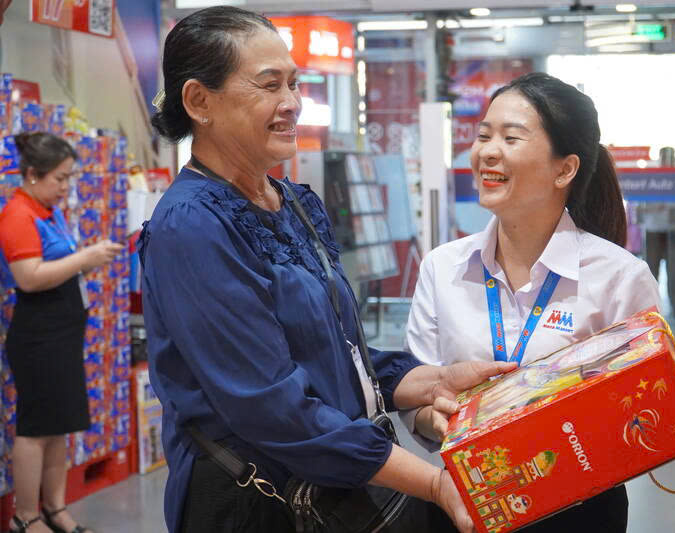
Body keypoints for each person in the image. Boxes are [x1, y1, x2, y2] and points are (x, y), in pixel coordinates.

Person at [140, 7, 512, 533]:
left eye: (294, 83)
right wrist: (432, 482)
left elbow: (337, 349)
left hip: (329, 489)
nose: (292, 103)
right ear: (200, 101)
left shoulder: (291, 202)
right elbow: (269, 405)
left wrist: (427, 381)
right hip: (254, 504)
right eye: (270, 85)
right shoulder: (191, 228)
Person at [405, 72, 661, 532]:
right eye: (483, 135)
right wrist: (432, 417)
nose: (487, 151)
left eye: (510, 137)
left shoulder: (619, 278)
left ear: (564, 169)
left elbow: (641, 415)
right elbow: (415, 392)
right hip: (463, 502)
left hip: (578, 511)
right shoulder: (442, 269)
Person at [0, 132, 123, 533]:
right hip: (38, 337)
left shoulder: (47, 211)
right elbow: (29, 278)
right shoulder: (18, 215)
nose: (66, 188)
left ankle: (54, 508)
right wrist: (83, 258)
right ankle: (25, 515)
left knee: (59, 426)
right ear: (33, 175)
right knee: (36, 429)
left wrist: (89, 260)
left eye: (70, 178)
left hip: (63, 334)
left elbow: (60, 265)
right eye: (60, 179)